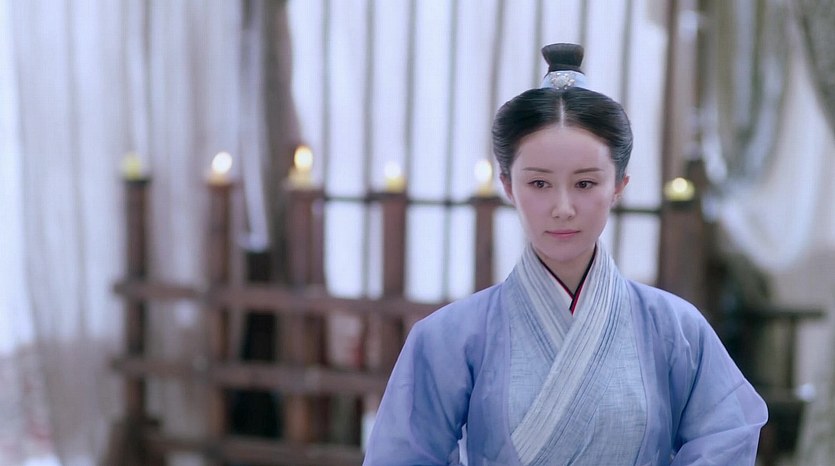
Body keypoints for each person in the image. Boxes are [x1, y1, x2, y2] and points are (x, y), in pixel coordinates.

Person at [362, 43, 767, 466]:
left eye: (585, 183)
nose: (563, 207)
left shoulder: (674, 328)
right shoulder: (450, 336)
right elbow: (401, 456)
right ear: (508, 185)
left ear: (619, 186)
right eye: (539, 184)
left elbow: (725, 434)